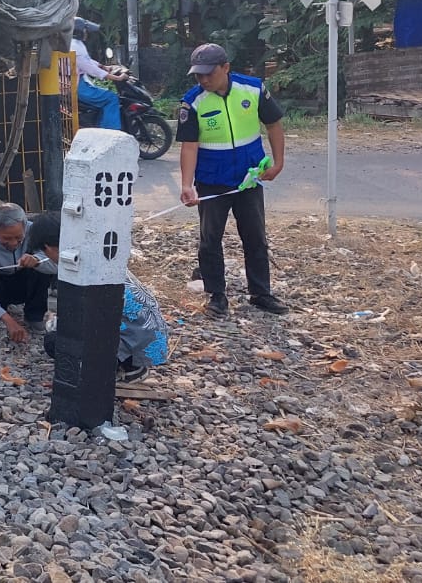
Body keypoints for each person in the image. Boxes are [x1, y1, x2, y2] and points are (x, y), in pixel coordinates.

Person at [177, 42, 289, 317]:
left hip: (249, 179)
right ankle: (216, 296)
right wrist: (186, 185)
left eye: (209, 74)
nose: (203, 80)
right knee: (210, 239)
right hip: (212, 181)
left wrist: (278, 163)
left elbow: (273, 125)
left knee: (255, 237)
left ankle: (261, 293)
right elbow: (189, 146)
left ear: (225, 68)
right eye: (198, 75)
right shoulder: (192, 102)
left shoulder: (253, 89)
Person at [26, 213, 170, 382]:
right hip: (150, 338)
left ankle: (125, 367)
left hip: (136, 343)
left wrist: (53, 324)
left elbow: (82, 317)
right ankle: (127, 363)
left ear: (48, 248)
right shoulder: (95, 255)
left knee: (54, 341)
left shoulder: (80, 272)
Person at [0, 202, 54, 342]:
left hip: (26, 282)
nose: (13, 243)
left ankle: (34, 317)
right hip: (0, 287)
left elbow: (55, 264)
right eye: (6, 238)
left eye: (19, 238)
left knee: (40, 269)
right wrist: (8, 320)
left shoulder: (34, 230)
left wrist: (36, 260)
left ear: (25, 226)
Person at [70, 17, 126, 131]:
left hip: (81, 82)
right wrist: (117, 78)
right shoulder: (74, 47)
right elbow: (91, 69)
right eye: (85, 30)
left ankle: (101, 126)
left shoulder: (76, 43)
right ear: (79, 31)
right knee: (111, 98)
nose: (87, 33)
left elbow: (88, 61)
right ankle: (111, 132)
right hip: (78, 86)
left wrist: (104, 67)